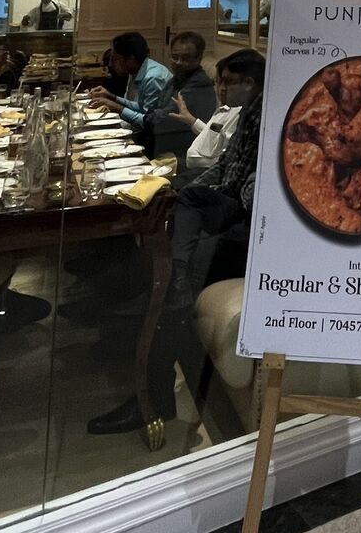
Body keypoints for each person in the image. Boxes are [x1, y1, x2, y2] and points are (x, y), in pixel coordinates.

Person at [88, 49, 265, 439]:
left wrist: (205, 201)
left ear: (249, 83)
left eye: (227, 82)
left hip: (253, 234)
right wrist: (181, 194)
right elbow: (226, 168)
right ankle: (140, 322)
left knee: (171, 276)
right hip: (234, 214)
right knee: (164, 235)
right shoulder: (251, 113)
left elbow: (253, 197)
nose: (220, 89)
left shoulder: (272, 119)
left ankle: (152, 399)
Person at [138, 31, 217, 158]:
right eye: (175, 57)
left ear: (198, 58)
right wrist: (154, 114)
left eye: (185, 58)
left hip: (182, 154)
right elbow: (154, 108)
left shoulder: (198, 84)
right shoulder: (177, 78)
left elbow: (159, 121)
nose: (179, 62)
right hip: (163, 145)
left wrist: (154, 115)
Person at [89, 32, 170, 124]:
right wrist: (111, 97)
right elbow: (140, 107)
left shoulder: (153, 78)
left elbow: (148, 123)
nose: (111, 64)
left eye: (116, 59)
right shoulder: (134, 70)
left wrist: (116, 107)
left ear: (131, 59)